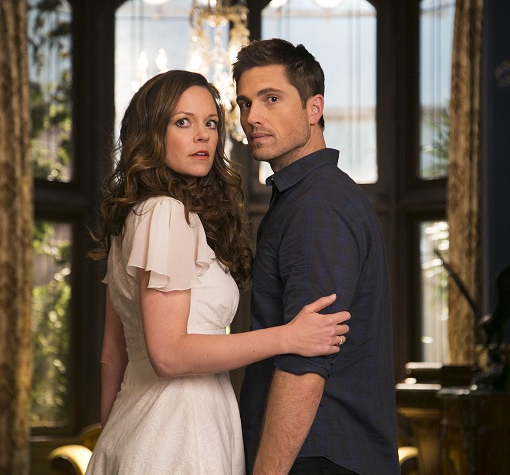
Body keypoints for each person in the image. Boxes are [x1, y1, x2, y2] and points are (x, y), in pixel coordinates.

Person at [86, 70, 350, 474]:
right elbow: (168, 355)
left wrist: (114, 438)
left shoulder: (131, 219)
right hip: (181, 432)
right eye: (183, 122)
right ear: (151, 133)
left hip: (136, 427)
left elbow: (112, 355)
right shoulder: (166, 213)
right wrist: (287, 337)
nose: (203, 136)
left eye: (211, 123)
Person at [233, 38, 400, 474]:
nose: (252, 117)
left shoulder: (317, 205)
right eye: (245, 103)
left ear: (314, 108)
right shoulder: (305, 197)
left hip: (316, 457)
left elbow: (305, 362)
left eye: (271, 99)